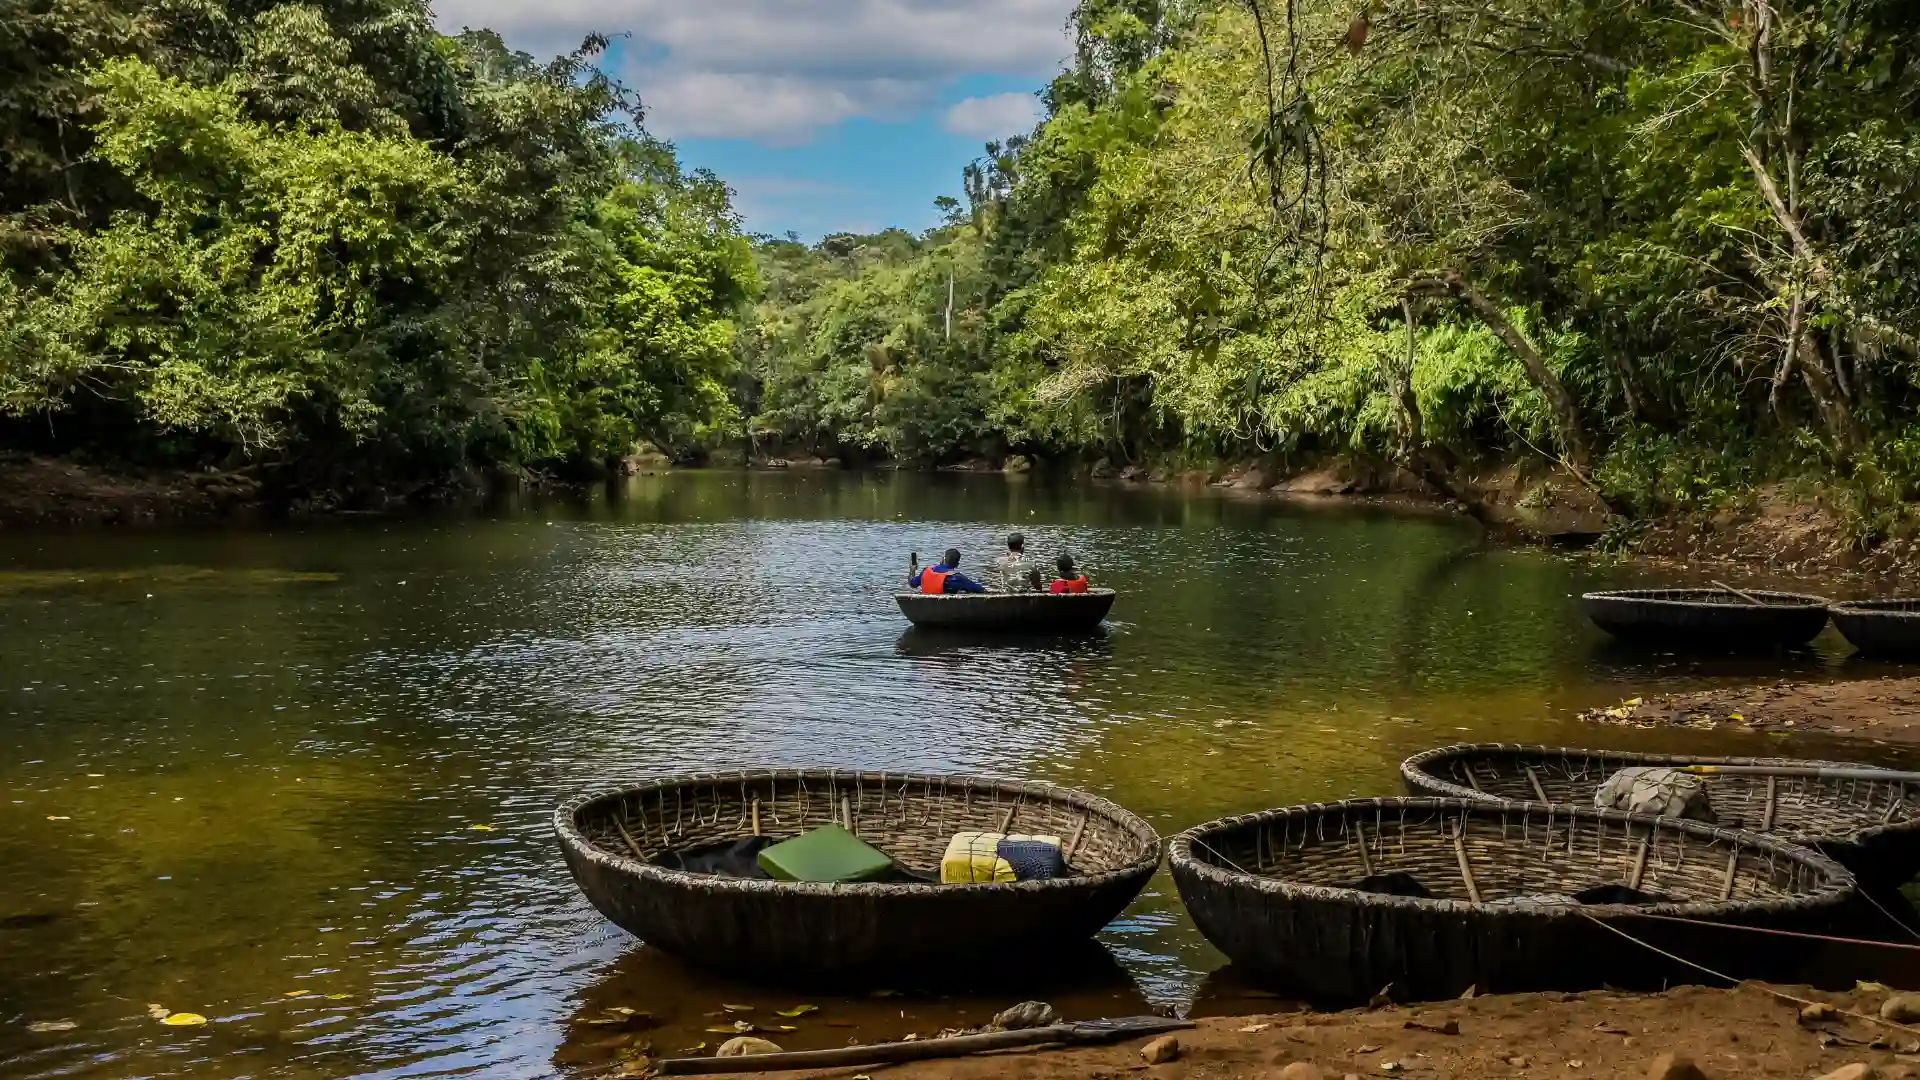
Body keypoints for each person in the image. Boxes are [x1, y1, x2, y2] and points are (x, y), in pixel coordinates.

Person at [910, 548, 988, 594]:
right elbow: (981, 590)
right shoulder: (958, 578)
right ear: (957, 565)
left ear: (943, 559)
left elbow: (912, 583)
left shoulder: (926, 571)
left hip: (927, 608)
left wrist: (912, 569)